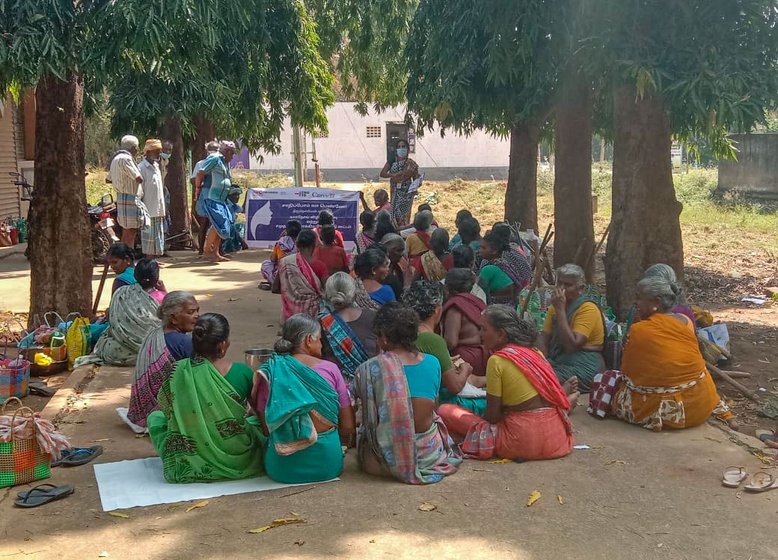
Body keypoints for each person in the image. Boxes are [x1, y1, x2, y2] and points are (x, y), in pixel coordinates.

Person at [438, 306, 575, 461]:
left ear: (501, 334)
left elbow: (492, 417)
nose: (480, 334)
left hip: (521, 442)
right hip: (556, 439)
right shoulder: (536, 353)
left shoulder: (497, 361)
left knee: (445, 411)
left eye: (484, 329)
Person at [148, 313, 265, 483]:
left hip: (188, 457)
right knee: (254, 423)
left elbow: (169, 412)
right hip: (237, 455)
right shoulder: (243, 372)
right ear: (223, 345)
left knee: (155, 418)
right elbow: (258, 412)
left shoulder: (177, 371)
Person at [353, 303, 462, 484]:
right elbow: (432, 407)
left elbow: (369, 417)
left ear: (384, 338)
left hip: (384, 461)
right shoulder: (433, 362)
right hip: (429, 455)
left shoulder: (369, 369)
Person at [611, 276, 736, 431]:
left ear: (656, 303)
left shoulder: (639, 330)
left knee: (615, 388)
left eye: (639, 298)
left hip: (667, 414)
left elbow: (628, 372)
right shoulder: (685, 321)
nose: (635, 303)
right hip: (699, 404)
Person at [254, 314, 356, 484]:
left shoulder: (272, 370)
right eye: (320, 340)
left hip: (282, 468)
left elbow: (266, 428)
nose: (322, 345)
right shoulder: (331, 369)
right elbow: (348, 426)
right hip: (327, 465)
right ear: (309, 340)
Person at [404, 281, 484, 415]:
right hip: (432, 405)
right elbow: (455, 386)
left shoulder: (403, 332)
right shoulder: (433, 340)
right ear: (437, 309)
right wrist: (465, 369)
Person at [126, 292, 199, 429]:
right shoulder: (184, 342)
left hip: (143, 412)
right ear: (174, 318)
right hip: (168, 411)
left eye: (197, 311)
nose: (196, 316)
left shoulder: (154, 334)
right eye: (191, 312)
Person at [538, 264, 605, 393]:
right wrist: (541, 361)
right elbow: (544, 339)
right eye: (559, 284)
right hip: (558, 361)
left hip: (583, 365)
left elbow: (571, 346)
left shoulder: (587, 309)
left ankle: (563, 398)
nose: (561, 289)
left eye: (568, 285)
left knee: (540, 379)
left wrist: (560, 311)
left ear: (581, 289)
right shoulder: (555, 307)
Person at [81, 281, 161, 366]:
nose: (112, 266)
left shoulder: (122, 288)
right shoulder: (162, 296)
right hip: (153, 352)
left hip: (120, 354)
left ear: (136, 275)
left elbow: (112, 321)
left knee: (100, 335)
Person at [319, 272, 378, 378]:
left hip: (336, 384)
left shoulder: (323, 322)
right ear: (355, 293)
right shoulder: (373, 317)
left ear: (328, 295)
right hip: (371, 382)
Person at [442, 268, 489, 377]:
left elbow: (451, 342)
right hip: (485, 354)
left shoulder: (455, 307)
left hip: (464, 359)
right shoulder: (478, 302)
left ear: (447, 288)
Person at [200, 140, 237, 262]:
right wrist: (197, 188)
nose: (233, 156)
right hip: (213, 198)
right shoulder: (215, 159)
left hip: (222, 199)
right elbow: (201, 171)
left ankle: (215, 252)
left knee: (223, 226)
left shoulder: (226, 163)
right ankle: (207, 251)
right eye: (232, 153)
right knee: (218, 224)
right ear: (226, 151)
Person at [278, 229, 328, 320]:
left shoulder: (285, 262)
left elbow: (275, 288)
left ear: (297, 244)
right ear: (314, 244)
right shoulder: (320, 266)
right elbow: (327, 291)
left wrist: (293, 295)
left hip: (290, 317)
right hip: (313, 315)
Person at [109, 135, 146, 248]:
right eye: (136, 148)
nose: (137, 150)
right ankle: (127, 258)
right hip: (130, 198)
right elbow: (138, 178)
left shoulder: (115, 159)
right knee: (131, 232)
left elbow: (108, 179)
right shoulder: (126, 159)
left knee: (127, 231)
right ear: (133, 147)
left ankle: (125, 257)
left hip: (121, 197)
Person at [477, 231, 526, 306]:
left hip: (498, 308)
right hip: (513, 305)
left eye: (483, 248)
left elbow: (478, 292)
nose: (479, 250)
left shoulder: (488, 269)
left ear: (494, 251)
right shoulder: (505, 263)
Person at [380, 139, 420, 227]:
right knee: (394, 213)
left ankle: (403, 232)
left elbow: (416, 179)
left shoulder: (411, 164)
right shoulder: (392, 161)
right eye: (399, 147)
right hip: (395, 193)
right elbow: (382, 173)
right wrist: (393, 175)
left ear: (408, 149)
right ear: (396, 149)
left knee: (404, 215)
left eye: (403, 147)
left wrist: (416, 186)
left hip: (406, 195)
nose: (401, 149)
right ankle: (395, 230)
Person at [138, 139, 166, 259]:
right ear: (148, 152)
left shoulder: (156, 166)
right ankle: (149, 260)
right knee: (149, 238)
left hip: (158, 208)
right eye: (156, 151)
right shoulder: (141, 168)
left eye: (160, 151)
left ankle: (154, 260)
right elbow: (140, 191)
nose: (159, 154)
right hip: (148, 209)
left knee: (157, 237)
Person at [192, 141, 220, 255]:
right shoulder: (201, 164)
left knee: (218, 223)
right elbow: (193, 179)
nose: (214, 151)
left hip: (217, 195)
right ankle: (201, 250)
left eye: (216, 148)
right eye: (211, 148)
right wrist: (201, 184)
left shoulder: (220, 163)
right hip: (205, 194)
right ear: (207, 150)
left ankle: (217, 250)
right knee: (204, 223)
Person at [261, 220, 302, 288]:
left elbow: (273, 259)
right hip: (301, 276)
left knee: (266, 264)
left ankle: (276, 283)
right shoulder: (304, 240)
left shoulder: (281, 242)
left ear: (286, 231)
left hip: (282, 277)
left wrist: (280, 238)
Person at [380, 233, 413, 301]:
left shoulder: (402, 264)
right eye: (398, 250)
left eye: (403, 250)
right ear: (387, 250)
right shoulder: (378, 270)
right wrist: (407, 285)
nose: (402, 254)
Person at [220, 186, 246, 254]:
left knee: (241, 226)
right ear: (229, 196)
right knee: (232, 227)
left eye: (238, 195)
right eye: (234, 195)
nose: (237, 197)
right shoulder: (227, 206)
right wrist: (242, 241)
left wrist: (247, 197)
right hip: (223, 230)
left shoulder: (233, 205)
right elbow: (230, 225)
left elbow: (243, 210)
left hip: (229, 229)